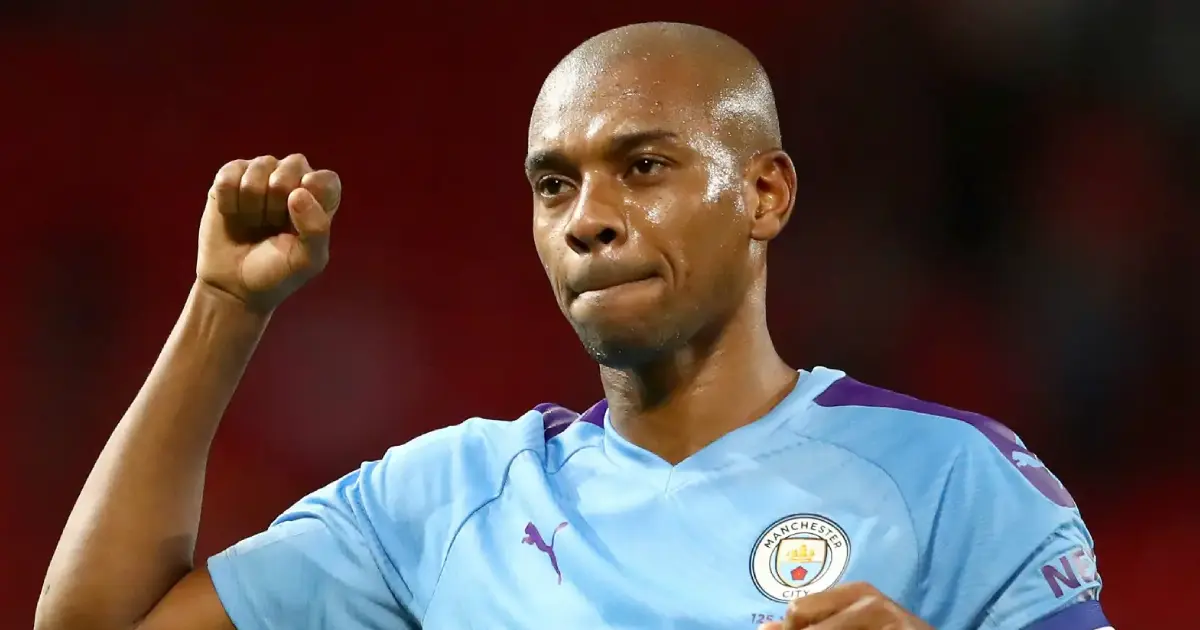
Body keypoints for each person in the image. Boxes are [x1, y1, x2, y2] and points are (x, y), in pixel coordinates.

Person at [34, 22, 1111, 630]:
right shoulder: (444, 500)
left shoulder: (955, 480)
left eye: (643, 167)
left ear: (765, 194)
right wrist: (225, 307)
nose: (588, 218)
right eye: (554, 185)